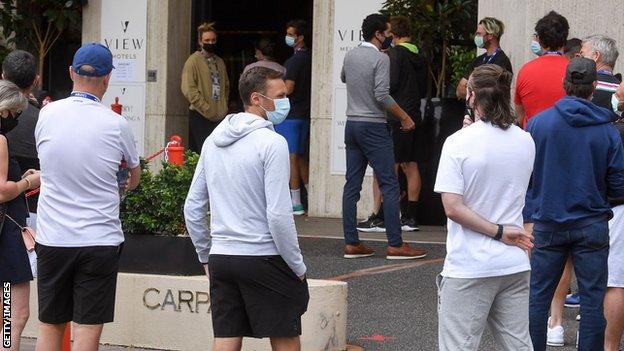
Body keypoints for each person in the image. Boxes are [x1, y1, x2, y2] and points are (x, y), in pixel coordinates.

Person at [184, 66, 309, 351]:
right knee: (285, 337)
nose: (284, 101)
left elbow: (192, 207)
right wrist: (297, 265)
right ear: (256, 98)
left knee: (226, 339)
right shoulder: (273, 143)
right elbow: (278, 215)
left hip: (222, 258)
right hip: (264, 256)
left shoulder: (212, 142)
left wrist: (206, 255)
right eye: (279, 96)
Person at [34, 43, 141, 351]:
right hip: (99, 239)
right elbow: (133, 176)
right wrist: (122, 184)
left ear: (71, 72)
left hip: (53, 238)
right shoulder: (116, 123)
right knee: (87, 329)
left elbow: (48, 161)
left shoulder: (47, 115)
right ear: (108, 79)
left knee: (50, 325)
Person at [524, 57, 624, 351]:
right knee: (593, 299)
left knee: (538, 297)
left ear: (564, 84)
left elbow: (527, 175)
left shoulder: (539, 124)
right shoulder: (607, 130)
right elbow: (618, 185)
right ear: (594, 86)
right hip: (591, 223)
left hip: (548, 221)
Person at [435, 64, 535, 351]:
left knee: (459, 346)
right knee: (518, 345)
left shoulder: (457, 143)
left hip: (470, 264)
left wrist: (498, 232)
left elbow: (452, 207)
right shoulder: (525, 140)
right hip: (514, 262)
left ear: (472, 96)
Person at [340, 13, 426, 260]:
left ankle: (352, 243)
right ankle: (396, 245)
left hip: (351, 124)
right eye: (387, 32)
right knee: (389, 184)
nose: (390, 37)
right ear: (378, 34)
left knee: (352, 185)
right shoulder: (381, 59)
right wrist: (404, 117)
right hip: (373, 126)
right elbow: (381, 95)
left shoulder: (351, 54)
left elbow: (344, 78)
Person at [357, 16, 427, 233]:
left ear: (393, 34)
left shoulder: (395, 54)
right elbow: (423, 88)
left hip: (396, 115)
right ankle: (410, 217)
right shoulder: (420, 55)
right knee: (411, 165)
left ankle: (381, 217)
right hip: (415, 113)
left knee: (385, 167)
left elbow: (389, 85)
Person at [0, 80, 41, 351]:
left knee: (6, 313)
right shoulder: (0, 139)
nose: (16, 118)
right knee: (14, 314)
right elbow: (2, 191)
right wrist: (30, 182)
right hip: (8, 239)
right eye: (15, 112)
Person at [2, 50, 40, 230]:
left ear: (3, 76)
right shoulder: (42, 119)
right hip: (30, 212)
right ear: (36, 80)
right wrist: (28, 182)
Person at [277, 19, 312, 215]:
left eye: (291, 34)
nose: (288, 37)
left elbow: (288, 88)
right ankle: (308, 197)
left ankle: (296, 202)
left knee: (291, 157)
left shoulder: (296, 60)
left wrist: (273, 90)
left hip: (292, 114)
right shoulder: (307, 57)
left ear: (300, 37)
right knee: (298, 157)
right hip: (303, 113)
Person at [515, 11, 569, 128]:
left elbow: (520, 116)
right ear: (565, 37)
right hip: (567, 140)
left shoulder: (525, 70)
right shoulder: (574, 70)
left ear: (539, 39)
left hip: (533, 139)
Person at [181, 22, 230, 153]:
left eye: (213, 40)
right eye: (207, 40)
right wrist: (205, 108)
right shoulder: (192, 62)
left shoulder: (219, 61)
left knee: (219, 152)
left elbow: (226, 87)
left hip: (219, 116)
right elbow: (189, 89)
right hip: (201, 116)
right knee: (205, 152)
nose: (210, 43)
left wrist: (223, 107)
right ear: (200, 41)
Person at [456, 17, 512, 99]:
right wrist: (476, 93)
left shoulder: (501, 62)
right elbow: (459, 90)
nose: (476, 37)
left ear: (490, 36)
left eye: (479, 34)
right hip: (472, 111)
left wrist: (470, 91)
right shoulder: (478, 60)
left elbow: (488, 95)